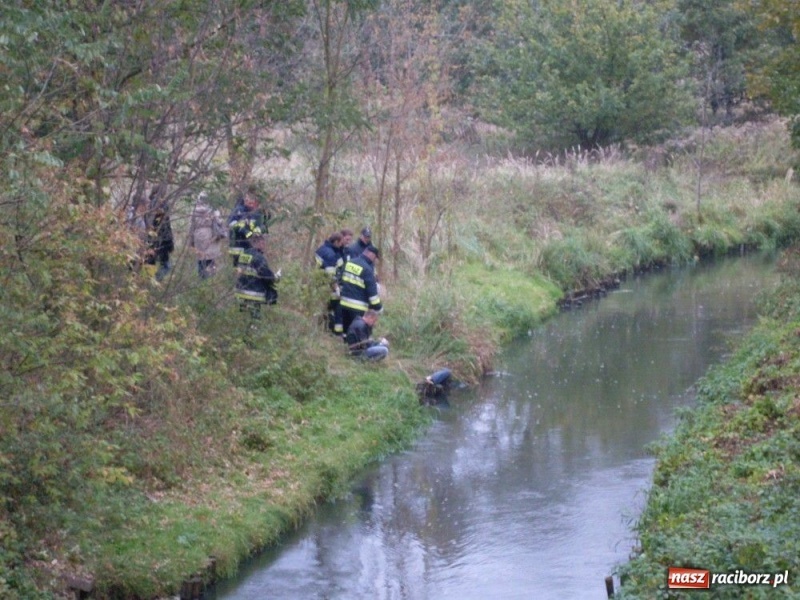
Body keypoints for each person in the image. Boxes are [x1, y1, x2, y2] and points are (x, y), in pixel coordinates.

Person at [235, 233, 280, 318]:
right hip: (254, 293)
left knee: (244, 317)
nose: (265, 245)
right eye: (263, 242)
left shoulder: (244, 254)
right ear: (260, 243)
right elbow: (266, 275)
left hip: (241, 291)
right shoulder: (258, 257)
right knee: (255, 318)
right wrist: (276, 277)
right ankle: (253, 328)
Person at [339, 245, 382, 333]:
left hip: (344, 303)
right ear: (372, 255)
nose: (374, 260)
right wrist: (379, 307)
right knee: (357, 332)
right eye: (375, 258)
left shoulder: (349, 263)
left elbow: (341, 280)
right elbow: (372, 294)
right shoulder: (367, 269)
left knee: (346, 331)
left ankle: (345, 345)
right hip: (358, 306)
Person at [227, 184, 271, 267]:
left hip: (252, 246)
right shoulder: (239, 210)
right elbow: (232, 224)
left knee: (251, 267)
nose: (252, 203)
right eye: (249, 200)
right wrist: (246, 232)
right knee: (242, 267)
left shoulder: (258, 212)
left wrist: (257, 231)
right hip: (239, 245)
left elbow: (263, 225)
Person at [189, 192, 226, 278]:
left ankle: (201, 278)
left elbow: (191, 226)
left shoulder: (194, 210)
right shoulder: (212, 210)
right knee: (210, 258)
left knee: (201, 258)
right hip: (210, 235)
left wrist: (191, 241)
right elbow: (220, 222)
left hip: (197, 235)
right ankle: (210, 279)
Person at [315, 232, 345, 334]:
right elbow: (330, 275)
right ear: (336, 242)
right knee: (332, 308)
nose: (342, 245)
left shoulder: (321, 249)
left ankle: (321, 330)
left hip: (318, 284)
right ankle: (333, 332)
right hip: (327, 287)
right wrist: (336, 288)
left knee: (321, 309)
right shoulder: (330, 254)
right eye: (341, 243)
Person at [145, 187, 174, 281]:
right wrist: (169, 242)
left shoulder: (148, 204)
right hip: (161, 240)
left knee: (151, 263)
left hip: (152, 240)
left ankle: (150, 282)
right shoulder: (162, 204)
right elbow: (166, 226)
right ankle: (155, 281)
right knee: (166, 265)